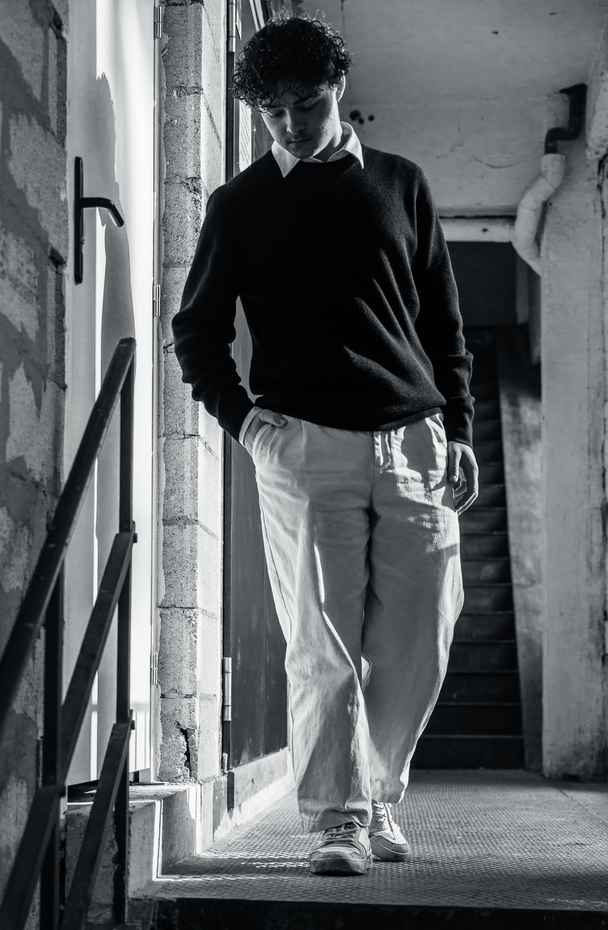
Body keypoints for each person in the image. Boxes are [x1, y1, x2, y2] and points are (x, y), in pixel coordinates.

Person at [172, 16, 478, 876]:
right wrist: (245, 422)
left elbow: (443, 322)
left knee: (422, 637)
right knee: (322, 643)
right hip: (303, 444)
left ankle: (379, 793)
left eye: (305, 105)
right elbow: (195, 331)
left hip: (414, 440)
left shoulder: (401, 184)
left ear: (339, 88)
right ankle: (341, 818)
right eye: (272, 113)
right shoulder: (239, 205)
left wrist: (459, 426)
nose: (291, 125)